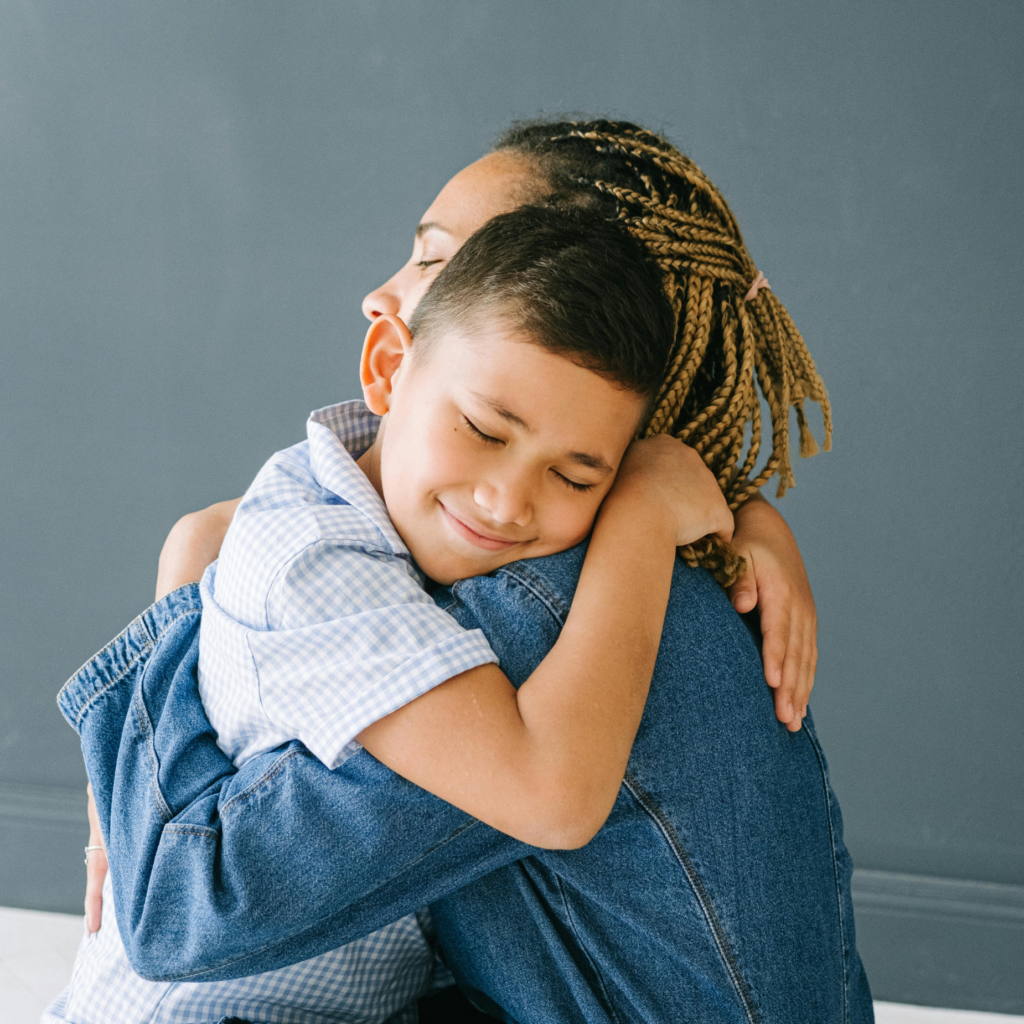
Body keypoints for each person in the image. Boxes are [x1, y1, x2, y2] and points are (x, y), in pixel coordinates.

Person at [64, 119, 872, 1022]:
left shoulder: (539, 595)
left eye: (439, 266)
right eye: (420, 258)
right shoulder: (427, 540)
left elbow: (184, 911)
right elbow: (239, 536)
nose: (380, 295)